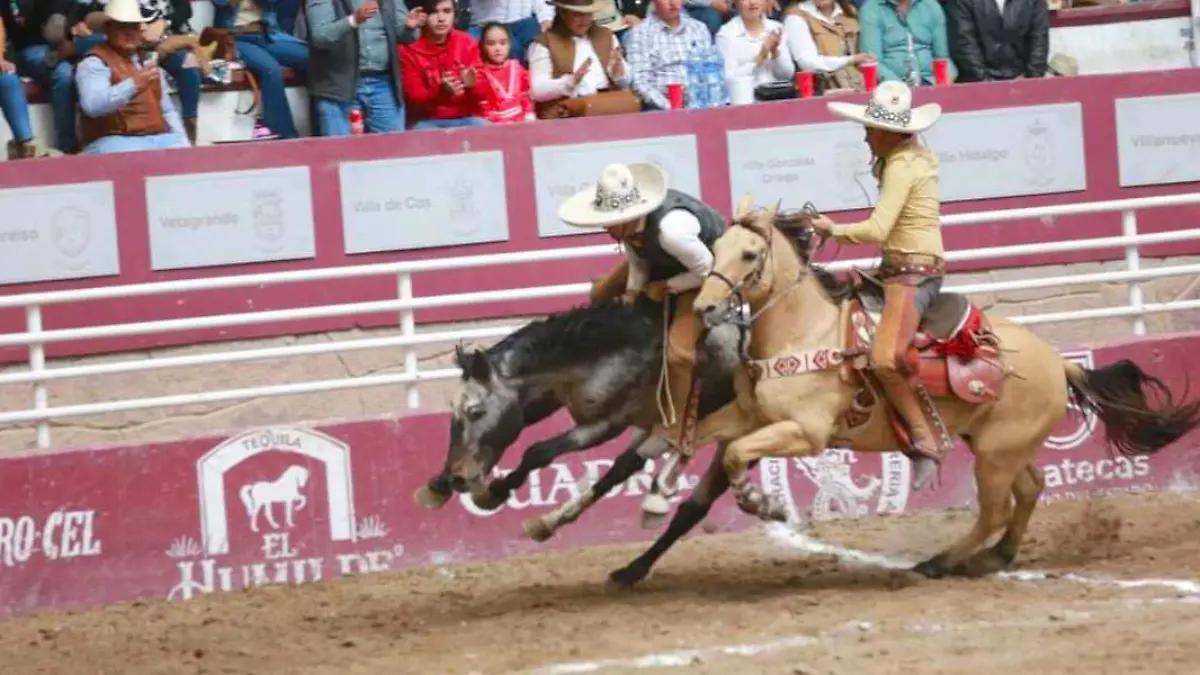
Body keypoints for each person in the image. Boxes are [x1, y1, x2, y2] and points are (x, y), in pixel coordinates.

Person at [807, 80, 947, 490]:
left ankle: (924, 441)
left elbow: (880, 227)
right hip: (901, 268)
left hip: (912, 273)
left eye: (870, 128)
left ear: (887, 131)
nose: (865, 135)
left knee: (885, 359)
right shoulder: (903, 159)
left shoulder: (903, 165)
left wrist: (834, 229)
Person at [559, 162, 726, 462]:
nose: (605, 228)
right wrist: (633, 292)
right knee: (600, 293)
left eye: (611, 222)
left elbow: (711, 269)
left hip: (709, 272)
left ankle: (673, 428)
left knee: (679, 352)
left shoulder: (672, 232)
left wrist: (668, 287)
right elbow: (637, 259)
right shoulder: (633, 231)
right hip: (668, 263)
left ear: (630, 217)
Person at [477, 22, 534, 123]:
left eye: (503, 43)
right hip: (494, 126)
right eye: (491, 43)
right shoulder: (480, 74)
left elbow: (525, 97)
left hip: (522, 122)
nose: (498, 48)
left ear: (509, 44)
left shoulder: (517, 68)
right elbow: (483, 109)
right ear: (482, 46)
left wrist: (528, 115)